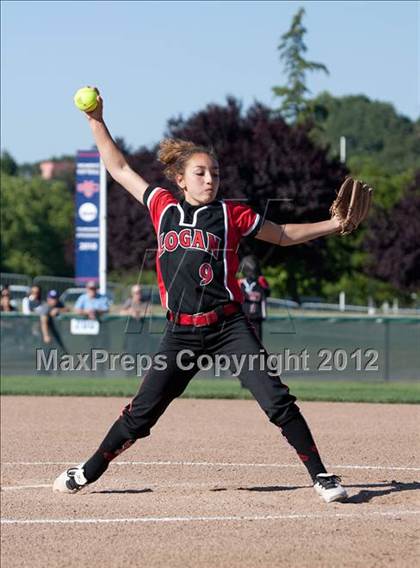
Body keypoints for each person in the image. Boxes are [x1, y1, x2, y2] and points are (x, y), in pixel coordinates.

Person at [53, 88, 369, 503]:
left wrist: (332, 225)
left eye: (215, 173)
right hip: (180, 333)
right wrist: (96, 119)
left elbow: (285, 235)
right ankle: (87, 470)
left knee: (276, 400)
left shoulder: (231, 214)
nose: (209, 179)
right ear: (181, 179)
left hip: (228, 325)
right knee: (141, 415)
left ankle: (322, 475)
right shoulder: (163, 206)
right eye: (200, 173)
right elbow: (119, 168)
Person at [238, 255, 270, 342]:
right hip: (242, 318)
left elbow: (266, 294)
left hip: (256, 318)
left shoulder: (260, 284)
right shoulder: (240, 284)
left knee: (257, 341)